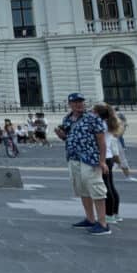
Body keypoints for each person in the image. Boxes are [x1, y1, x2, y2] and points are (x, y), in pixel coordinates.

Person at [54, 93, 110, 236]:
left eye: (81, 102)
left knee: (96, 188)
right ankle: (90, 219)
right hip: (73, 158)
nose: (79, 104)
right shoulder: (67, 119)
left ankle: (103, 223)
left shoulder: (93, 118)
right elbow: (68, 137)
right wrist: (61, 135)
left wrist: (102, 161)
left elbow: (101, 141)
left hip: (90, 158)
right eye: (75, 102)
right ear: (70, 104)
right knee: (82, 189)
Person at [93, 104, 123, 224]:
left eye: (93, 111)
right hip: (108, 157)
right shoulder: (108, 123)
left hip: (103, 157)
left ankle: (109, 214)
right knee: (110, 185)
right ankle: (115, 213)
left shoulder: (101, 125)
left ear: (97, 113)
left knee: (105, 187)